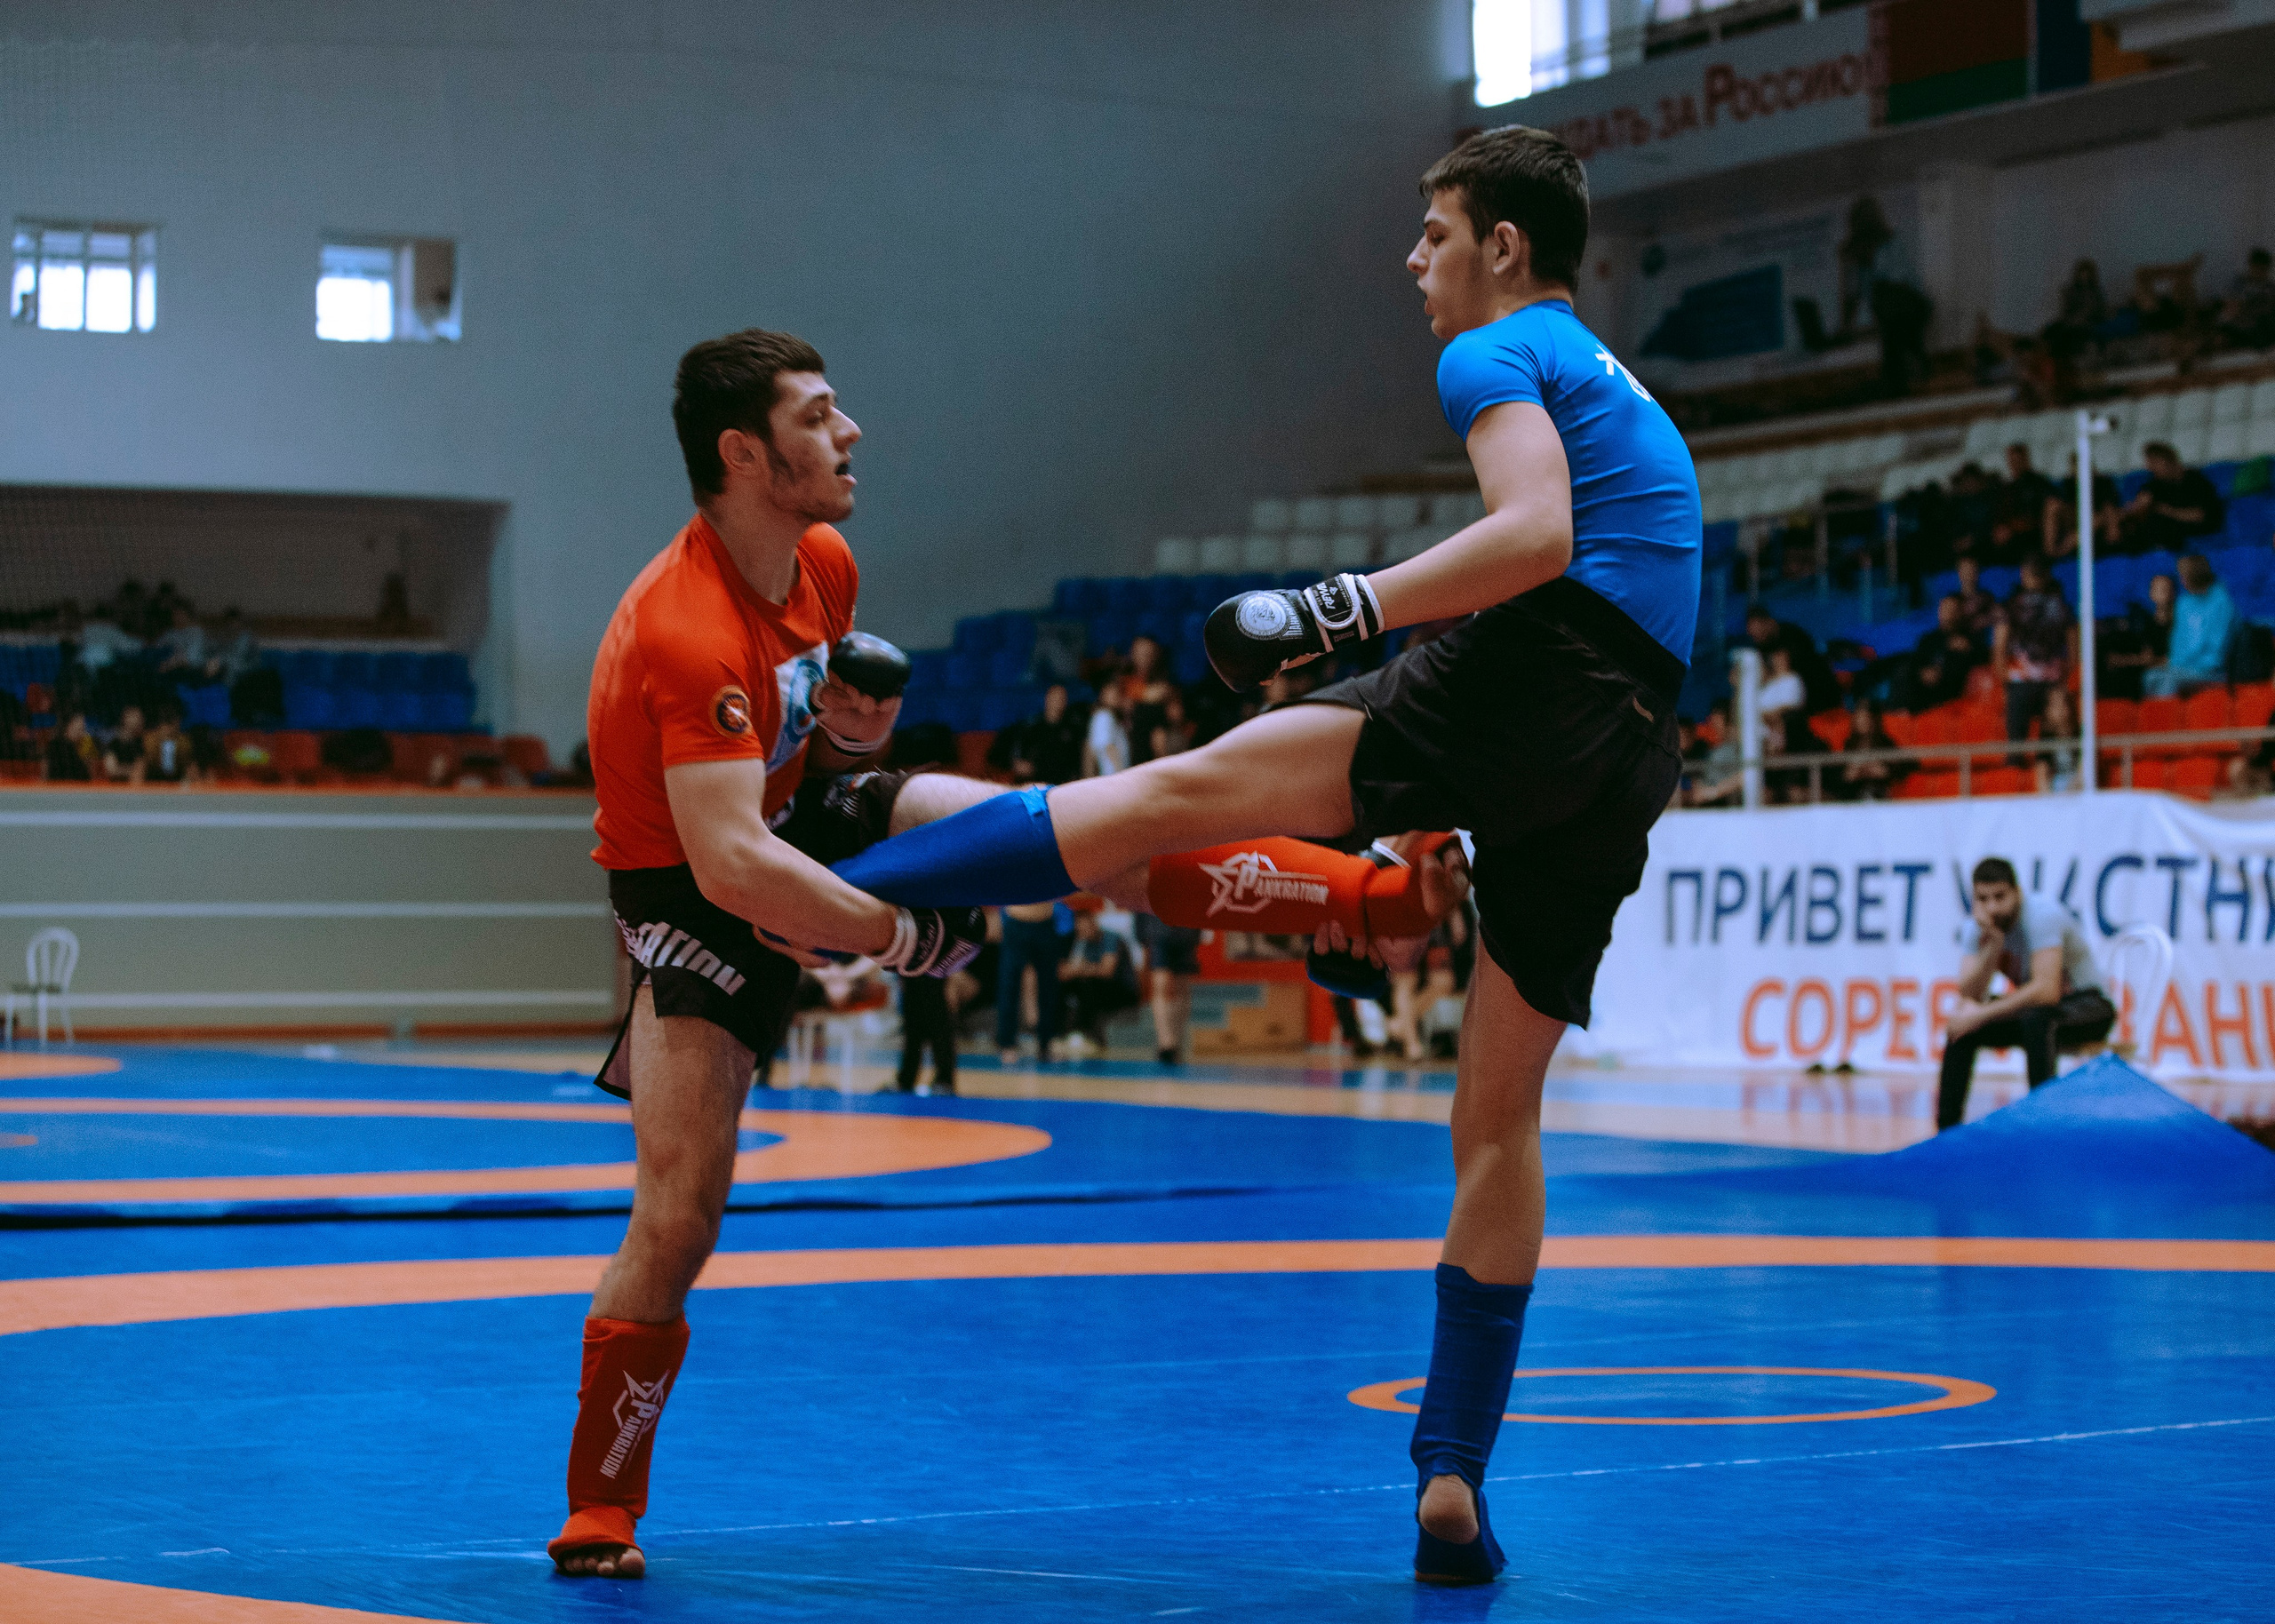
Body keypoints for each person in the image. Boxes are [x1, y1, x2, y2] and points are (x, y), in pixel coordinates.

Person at [824, 124, 1700, 1584]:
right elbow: (1592, 535)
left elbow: (1536, 534)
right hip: (1626, 747)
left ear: (1500, 248)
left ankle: (830, 871)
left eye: (1433, 232)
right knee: (1496, 1123)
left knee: (1171, 797)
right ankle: (1452, 1478)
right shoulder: (1621, 385)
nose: (1410, 259)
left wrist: (1333, 609)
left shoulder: (1493, 351)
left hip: (1538, 670)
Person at [547, 329, 998, 1580]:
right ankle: (601, 1503)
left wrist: (857, 738)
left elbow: (810, 759)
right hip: (690, 892)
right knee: (682, 1212)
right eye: (820, 416)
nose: (850, 434)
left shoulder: (824, 562)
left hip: (777, 818)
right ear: (746, 454)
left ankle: (1356, 906)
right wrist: (900, 937)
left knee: (1021, 824)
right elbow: (732, 868)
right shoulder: (681, 628)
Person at [1938, 858, 2115, 1130]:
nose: (1992, 907)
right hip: (2040, 1014)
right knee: (1962, 1027)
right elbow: (1971, 994)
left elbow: (2046, 992)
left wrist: (1980, 1015)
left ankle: (2042, 1128)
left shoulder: (2041, 915)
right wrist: (1993, 945)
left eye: (2000, 897)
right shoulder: (1978, 927)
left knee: (2036, 1018)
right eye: (1983, 899)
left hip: (2091, 1006)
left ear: (2017, 893)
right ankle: (1947, 1131)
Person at [1992, 554, 2076, 744]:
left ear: (2024, 575)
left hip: (2030, 684)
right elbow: (2074, 651)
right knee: (2043, 745)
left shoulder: (2011, 606)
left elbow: (1999, 649)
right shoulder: (2061, 607)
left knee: (2025, 747)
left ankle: (2023, 767)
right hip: (2040, 682)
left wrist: (2007, 682)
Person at [2143, 552, 2236, 698]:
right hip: (2181, 667)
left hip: (2211, 671)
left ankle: (2168, 720)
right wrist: (2177, 665)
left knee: (2168, 682)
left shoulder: (2222, 602)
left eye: (2184, 575)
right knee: (2150, 678)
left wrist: (2186, 666)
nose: (2181, 580)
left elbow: (2217, 650)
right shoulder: (2183, 603)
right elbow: (2177, 643)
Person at [2118, 442, 2224, 555]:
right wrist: (2135, 509)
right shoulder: (2155, 485)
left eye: (2155, 463)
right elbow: (2139, 505)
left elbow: (2199, 515)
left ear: (2168, 461)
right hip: (2166, 530)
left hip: (2196, 527)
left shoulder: (2195, 481)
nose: (2150, 468)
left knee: (2158, 522)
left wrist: (2165, 510)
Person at [1058, 908, 1138, 1055]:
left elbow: (1107, 971)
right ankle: (1059, 1034)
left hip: (1121, 990)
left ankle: (1088, 1036)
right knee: (1064, 987)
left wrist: (1081, 969)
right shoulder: (1081, 943)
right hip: (1096, 988)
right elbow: (1065, 972)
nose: (1083, 931)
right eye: (1079, 929)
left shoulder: (1111, 938)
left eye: (1085, 927)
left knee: (1089, 985)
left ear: (1094, 923)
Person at [1130, 912, 1201, 1066]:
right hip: (1158, 930)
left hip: (1185, 929)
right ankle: (1166, 1042)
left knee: (1181, 987)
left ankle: (1174, 1041)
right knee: (1160, 985)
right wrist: (1142, 933)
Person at [994, 900, 1060, 1064]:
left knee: (1048, 986)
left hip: (1045, 922)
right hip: (1017, 921)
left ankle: (1046, 1043)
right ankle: (1007, 1043)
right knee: (1009, 986)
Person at [1742, 604, 1838, 713]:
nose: (1756, 637)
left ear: (1768, 623)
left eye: (1759, 632)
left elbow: (1789, 673)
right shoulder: (1762, 645)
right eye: (1753, 635)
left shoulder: (1793, 637)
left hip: (1817, 695)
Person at [987, 682, 1084, 784]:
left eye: (1062, 698)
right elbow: (996, 755)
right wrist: (1014, 764)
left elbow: (1074, 764)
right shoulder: (1029, 727)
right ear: (1046, 699)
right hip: (1031, 785)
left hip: (1059, 785)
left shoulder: (1073, 730)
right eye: (1054, 697)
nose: (1058, 702)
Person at [2101, 573, 2176, 700]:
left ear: (2174, 592)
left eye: (2166, 588)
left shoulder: (2180, 625)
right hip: (2142, 675)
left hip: (2165, 675)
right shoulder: (2144, 625)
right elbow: (2144, 655)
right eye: (2158, 589)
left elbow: (2170, 660)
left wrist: (2143, 660)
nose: (2163, 593)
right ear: (2151, 594)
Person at [1906, 594, 1983, 712]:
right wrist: (1923, 672)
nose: (1948, 614)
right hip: (1925, 689)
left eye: (1953, 610)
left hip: (1952, 692)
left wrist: (1969, 649)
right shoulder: (1928, 639)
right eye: (1944, 609)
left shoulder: (1969, 640)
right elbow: (1916, 662)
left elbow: (1982, 658)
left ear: (1960, 613)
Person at [892, 970, 959, 1095]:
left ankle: (944, 1080)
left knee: (938, 1015)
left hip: (935, 966)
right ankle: (906, 1079)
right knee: (912, 1019)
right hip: (910, 967)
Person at [1990, 444, 2055, 562]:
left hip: (2032, 536)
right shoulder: (2007, 488)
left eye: (2018, 460)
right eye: (2012, 461)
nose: (2015, 465)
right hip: (2010, 538)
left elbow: (2041, 516)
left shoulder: (2039, 484)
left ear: (2025, 459)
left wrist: (2013, 528)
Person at [1838, 698, 1906, 801]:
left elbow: (1896, 771)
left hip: (1882, 794)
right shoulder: (1849, 744)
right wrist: (1855, 771)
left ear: (1874, 719)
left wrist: (1882, 771)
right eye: (1859, 718)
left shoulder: (1885, 743)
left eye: (1865, 717)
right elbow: (1845, 775)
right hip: (1854, 795)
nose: (1861, 722)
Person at [2217, 247, 2275, 350]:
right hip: (2238, 327)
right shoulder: (2239, 284)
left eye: (2263, 269)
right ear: (2251, 266)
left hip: (2260, 329)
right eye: (2256, 267)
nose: (2259, 272)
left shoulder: (2270, 289)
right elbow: (2230, 307)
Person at [2034, 686, 2082, 792]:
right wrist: (2048, 801)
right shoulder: (2046, 737)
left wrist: (2068, 795)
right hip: (2056, 791)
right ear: (2047, 710)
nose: (2060, 709)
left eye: (2063, 703)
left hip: (2077, 788)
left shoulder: (2082, 733)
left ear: (2070, 706)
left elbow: (2083, 770)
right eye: (2055, 705)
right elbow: (2042, 770)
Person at [1082, 673, 1130, 776]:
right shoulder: (1103, 716)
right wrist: (1121, 775)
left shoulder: (1112, 718)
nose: (1115, 695)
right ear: (1102, 694)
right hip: (1113, 777)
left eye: (1116, 692)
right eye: (1110, 691)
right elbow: (1108, 747)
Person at [1951, 555, 2000, 641]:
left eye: (1972, 569)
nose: (1968, 573)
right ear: (1959, 572)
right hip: (1956, 642)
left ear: (1977, 572)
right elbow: (1947, 626)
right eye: (1965, 569)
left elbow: (1997, 615)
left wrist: (1985, 620)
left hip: (1978, 643)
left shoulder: (1986, 597)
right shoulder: (1952, 600)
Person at [44, 712, 95, 782]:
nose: (82, 734)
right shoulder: (59, 747)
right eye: (80, 729)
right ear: (68, 726)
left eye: (83, 729)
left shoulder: (77, 747)